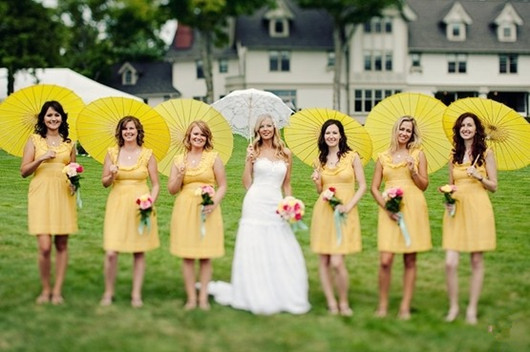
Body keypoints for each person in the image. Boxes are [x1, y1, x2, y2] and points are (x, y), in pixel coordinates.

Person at [208, 114, 310, 315]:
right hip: (255, 201)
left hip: (277, 202)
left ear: (274, 128)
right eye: (262, 126)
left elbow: (287, 183)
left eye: (269, 125)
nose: (265, 129)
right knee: (255, 243)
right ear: (257, 130)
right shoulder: (253, 150)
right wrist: (248, 161)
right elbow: (246, 182)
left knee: (281, 244)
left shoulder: (286, 153)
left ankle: (281, 290)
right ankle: (253, 290)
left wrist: (289, 202)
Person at [370, 116, 432, 320]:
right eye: (402, 129)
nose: (404, 133)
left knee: (410, 258)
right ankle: (383, 305)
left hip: (413, 206)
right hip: (389, 208)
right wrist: (386, 207)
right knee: (386, 260)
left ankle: (405, 307)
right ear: (396, 130)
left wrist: (414, 171)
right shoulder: (382, 157)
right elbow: (374, 187)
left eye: (409, 131)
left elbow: (424, 185)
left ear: (412, 134)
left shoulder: (418, 155)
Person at [20, 100, 78, 305]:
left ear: (62, 118)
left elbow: (73, 170)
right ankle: (45, 289)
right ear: (43, 119)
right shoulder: (34, 140)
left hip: (62, 194)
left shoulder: (69, 143)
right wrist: (41, 158)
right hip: (41, 193)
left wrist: (74, 182)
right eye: (49, 115)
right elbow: (24, 171)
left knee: (61, 243)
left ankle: (57, 291)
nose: (53, 119)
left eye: (57, 115)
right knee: (45, 246)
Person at [100, 116, 160, 308]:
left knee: (138, 251)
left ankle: (136, 295)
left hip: (140, 204)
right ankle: (108, 292)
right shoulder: (112, 153)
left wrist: (150, 201)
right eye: (125, 129)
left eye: (132, 129)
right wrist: (112, 174)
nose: (128, 132)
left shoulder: (148, 155)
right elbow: (104, 183)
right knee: (111, 252)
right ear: (120, 132)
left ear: (138, 131)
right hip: (117, 203)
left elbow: (156, 184)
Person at [443, 112, 497, 325]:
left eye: (470, 125)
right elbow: (451, 185)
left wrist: (479, 176)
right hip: (456, 210)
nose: (466, 128)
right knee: (450, 262)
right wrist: (448, 197)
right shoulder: (453, 154)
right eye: (462, 125)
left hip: (478, 207)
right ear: (459, 130)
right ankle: (454, 306)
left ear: (476, 129)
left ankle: (472, 309)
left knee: (476, 259)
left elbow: (494, 186)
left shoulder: (487, 154)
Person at [168, 120, 227, 311]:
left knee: (205, 255)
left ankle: (203, 298)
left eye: (202, 135)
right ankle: (191, 298)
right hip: (185, 209)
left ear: (207, 138)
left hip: (208, 209)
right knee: (187, 255)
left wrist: (213, 203)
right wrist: (179, 175)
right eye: (195, 134)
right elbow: (172, 190)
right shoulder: (179, 160)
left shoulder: (213, 158)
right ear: (189, 137)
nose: (198, 137)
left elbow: (223, 185)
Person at [310, 119, 366, 316]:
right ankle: (331, 303)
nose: (331, 136)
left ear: (341, 135)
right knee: (324, 260)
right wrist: (317, 181)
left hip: (344, 212)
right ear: (323, 137)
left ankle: (343, 302)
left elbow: (363, 186)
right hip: (324, 212)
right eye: (327, 133)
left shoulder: (352, 157)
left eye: (334, 133)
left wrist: (349, 206)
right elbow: (320, 191)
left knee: (337, 262)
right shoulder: (320, 160)